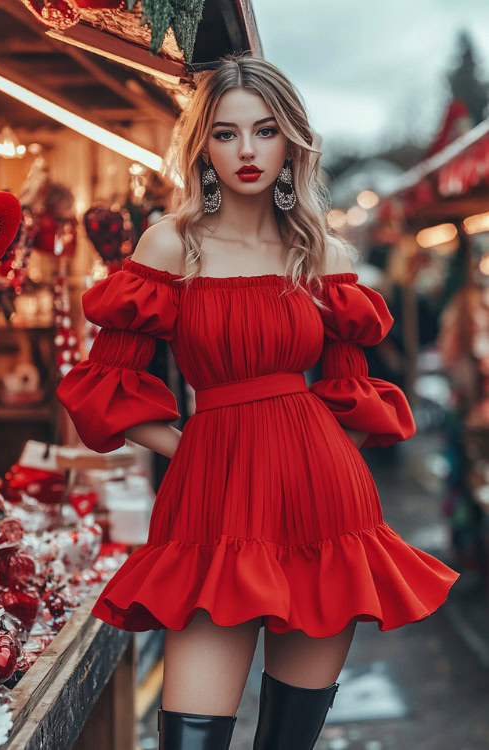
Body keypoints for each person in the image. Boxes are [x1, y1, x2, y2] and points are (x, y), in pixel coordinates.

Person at [57, 52, 461, 750]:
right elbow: (104, 380)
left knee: (287, 741)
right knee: (193, 736)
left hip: (322, 509)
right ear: (202, 147)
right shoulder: (172, 244)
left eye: (265, 131)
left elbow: (350, 393)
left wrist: (319, 459)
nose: (246, 151)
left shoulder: (322, 254)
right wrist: (190, 448)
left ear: (292, 142)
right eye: (225, 133)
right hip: (211, 505)